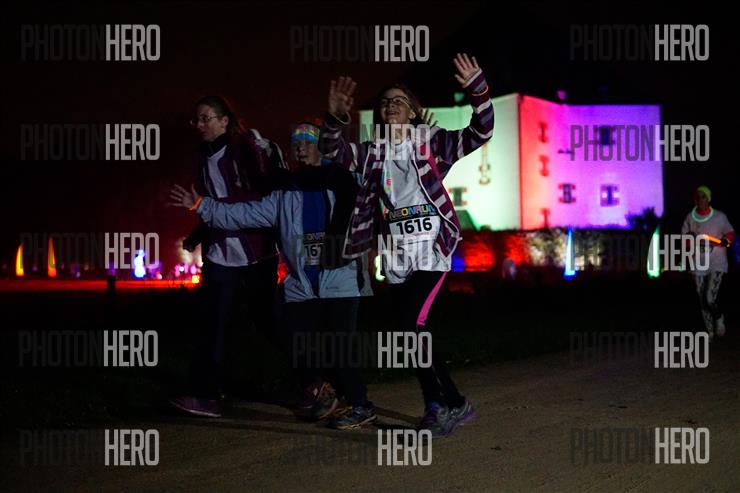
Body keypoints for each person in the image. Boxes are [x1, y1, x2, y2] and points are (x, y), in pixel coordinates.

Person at [318, 53, 494, 437]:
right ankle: (454, 401)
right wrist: (335, 117)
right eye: (385, 102)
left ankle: (438, 407)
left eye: (399, 101)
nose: (391, 105)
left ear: (413, 112)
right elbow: (332, 152)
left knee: (410, 324)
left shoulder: (432, 144)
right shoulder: (372, 153)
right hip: (396, 255)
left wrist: (477, 89)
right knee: (412, 333)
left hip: (432, 249)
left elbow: (480, 132)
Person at [169, 121, 376, 429]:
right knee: (296, 343)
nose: (301, 148)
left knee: (338, 347)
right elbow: (243, 214)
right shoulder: (285, 193)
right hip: (302, 285)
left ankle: (360, 404)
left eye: (307, 142)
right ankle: (323, 393)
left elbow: (372, 194)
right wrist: (202, 205)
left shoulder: (343, 182)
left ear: (322, 147)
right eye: (296, 144)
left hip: (341, 280)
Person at [170, 95, 285, 418]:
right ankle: (205, 395)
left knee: (271, 323)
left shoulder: (246, 149)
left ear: (225, 121)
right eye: (196, 120)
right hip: (220, 256)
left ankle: (314, 383)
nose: (199, 125)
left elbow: (260, 197)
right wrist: (198, 234)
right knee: (211, 324)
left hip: (256, 254)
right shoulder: (202, 159)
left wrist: (206, 208)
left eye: (206, 118)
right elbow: (210, 204)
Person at [681, 186, 735, 340]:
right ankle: (709, 330)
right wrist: (689, 240)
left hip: (717, 262)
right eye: (698, 197)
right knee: (701, 297)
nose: (700, 199)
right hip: (698, 263)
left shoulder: (720, 217)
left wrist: (726, 241)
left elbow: (730, 234)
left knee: (709, 298)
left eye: (703, 196)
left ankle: (719, 317)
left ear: (709, 199)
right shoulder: (690, 218)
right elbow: (684, 240)